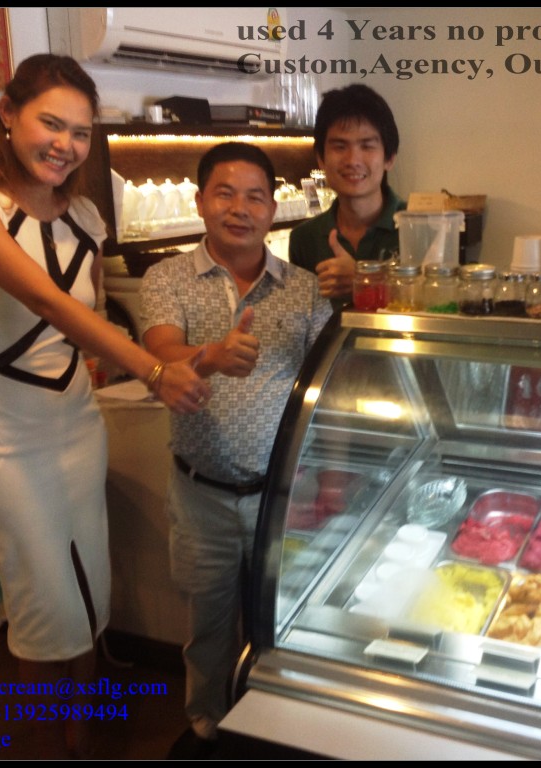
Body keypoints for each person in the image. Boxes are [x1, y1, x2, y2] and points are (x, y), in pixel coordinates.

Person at [0, 54, 211, 757]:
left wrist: (152, 359)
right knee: (42, 602)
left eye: (80, 132)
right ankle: (46, 746)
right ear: (7, 112)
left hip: (75, 427)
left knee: (90, 586)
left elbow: (88, 321)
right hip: (3, 436)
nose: (65, 143)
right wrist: (149, 368)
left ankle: (78, 735)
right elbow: (42, 298)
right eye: (50, 123)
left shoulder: (84, 213)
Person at [140, 142, 333, 758]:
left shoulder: (301, 289)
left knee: (284, 621)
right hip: (202, 494)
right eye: (225, 192)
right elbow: (158, 353)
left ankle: (278, 730)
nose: (239, 208)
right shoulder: (167, 277)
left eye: (255, 195)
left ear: (273, 208)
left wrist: (329, 479)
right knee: (210, 628)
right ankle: (208, 728)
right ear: (200, 202)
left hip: (286, 494)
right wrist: (210, 357)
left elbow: (328, 382)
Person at [288, 84, 405, 308]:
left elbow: (434, 308)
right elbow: (303, 319)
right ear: (321, 158)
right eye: (340, 147)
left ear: (389, 157)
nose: (353, 160)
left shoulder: (418, 227)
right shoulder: (304, 239)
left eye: (367, 146)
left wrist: (363, 281)